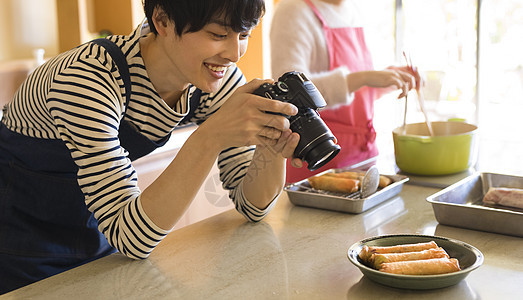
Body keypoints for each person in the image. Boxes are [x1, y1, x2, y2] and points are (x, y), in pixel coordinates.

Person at [0, 0, 300, 294]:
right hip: (18, 243)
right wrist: (210, 137)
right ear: (163, 21)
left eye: (244, 35)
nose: (235, 54)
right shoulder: (89, 77)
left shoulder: (214, 79)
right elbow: (132, 237)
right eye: (218, 35)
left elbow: (253, 206)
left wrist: (272, 143)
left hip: (99, 232)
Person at [270, 0, 422, 183]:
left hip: (364, 157)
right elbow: (288, 93)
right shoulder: (293, 10)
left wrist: (392, 78)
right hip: (319, 159)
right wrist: (360, 78)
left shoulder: (352, 10)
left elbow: (357, 92)